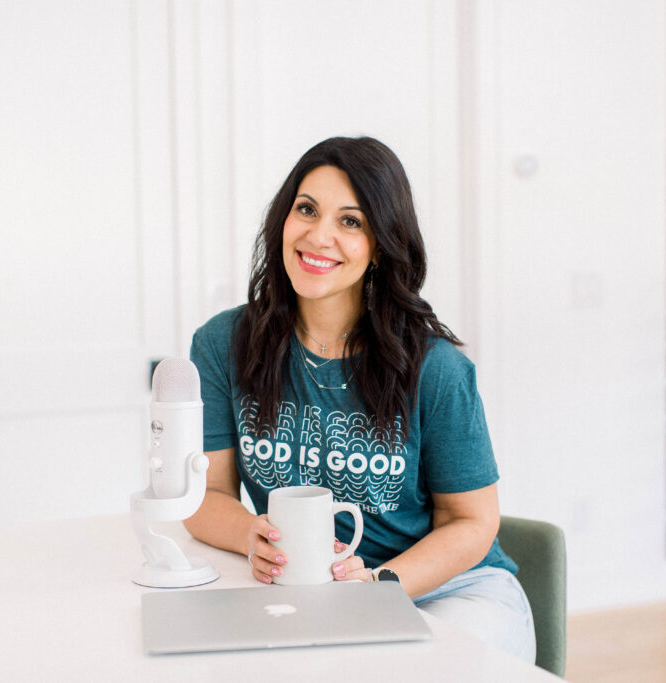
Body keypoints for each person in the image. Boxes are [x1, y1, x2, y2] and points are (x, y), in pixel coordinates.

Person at [184, 136, 535, 662]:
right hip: (301, 594)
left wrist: (377, 583)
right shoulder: (223, 344)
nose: (319, 235)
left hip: (449, 592)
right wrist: (248, 536)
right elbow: (207, 493)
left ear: (380, 245)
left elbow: (472, 523)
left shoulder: (436, 369)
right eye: (306, 209)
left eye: (351, 221)